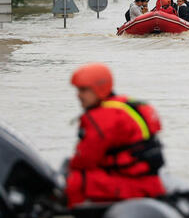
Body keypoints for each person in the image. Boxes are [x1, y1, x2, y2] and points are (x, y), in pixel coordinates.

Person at [65, 63, 166, 206]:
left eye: (83, 90)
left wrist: (67, 170)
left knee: (75, 179)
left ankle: (73, 217)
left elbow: (85, 160)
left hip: (134, 185)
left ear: (98, 88)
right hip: (150, 181)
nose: (79, 95)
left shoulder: (102, 116)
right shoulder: (126, 105)